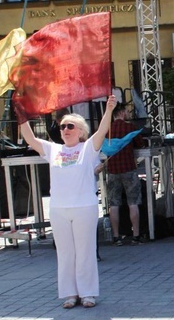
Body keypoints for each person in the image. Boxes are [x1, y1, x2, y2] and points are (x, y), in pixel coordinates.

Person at [19, 95, 117, 309]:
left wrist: (109, 109)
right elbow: (30, 139)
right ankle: (70, 294)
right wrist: (22, 116)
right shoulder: (53, 149)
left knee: (85, 251)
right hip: (58, 209)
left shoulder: (88, 148)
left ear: (81, 131)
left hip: (84, 207)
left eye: (70, 126)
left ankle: (88, 293)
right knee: (65, 253)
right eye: (62, 126)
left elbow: (101, 131)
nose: (65, 129)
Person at [103, 102, 145, 246]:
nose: (128, 113)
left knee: (114, 204)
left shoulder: (106, 129)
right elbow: (140, 144)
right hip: (128, 169)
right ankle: (136, 236)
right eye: (126, 111)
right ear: (121, 112)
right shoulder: (129, 127)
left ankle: (116, 237)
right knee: (133, 203)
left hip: (113, 170)